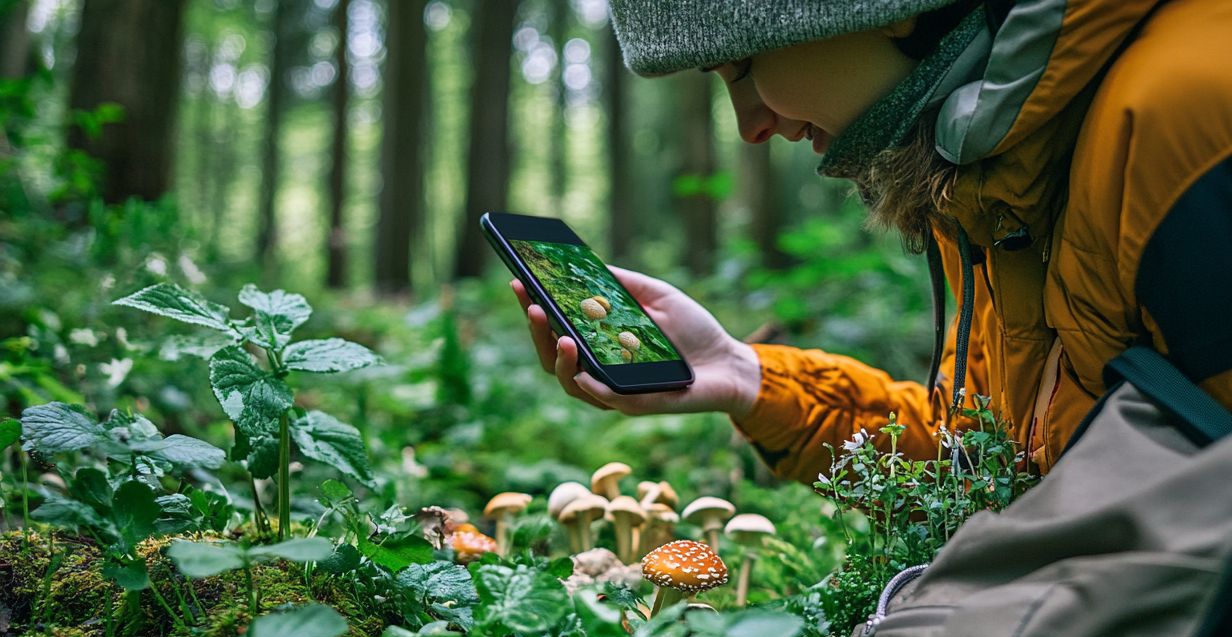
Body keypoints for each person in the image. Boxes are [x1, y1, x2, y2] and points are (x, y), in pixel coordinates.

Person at [510, 0, 1232, 485]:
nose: (751, 126)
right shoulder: (985, 172)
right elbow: (990, 469)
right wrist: (742, 375)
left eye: (740, 68)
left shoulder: (1191, 117)